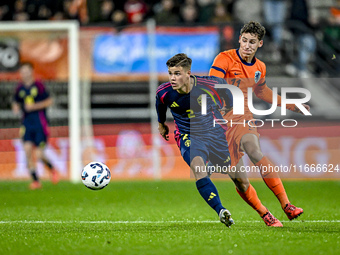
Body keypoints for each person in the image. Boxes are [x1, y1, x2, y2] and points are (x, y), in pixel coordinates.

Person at [156, 53, 283, 227]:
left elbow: (230, 97)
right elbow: (160, 104)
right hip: (189, 136)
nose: (172, 78)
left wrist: (228, 112)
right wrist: (161, 123)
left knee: (241, 180)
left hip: (216, 135)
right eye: (170, 73)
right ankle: (221, 210)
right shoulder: (164, 92)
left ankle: (265, 213)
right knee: (198, 169)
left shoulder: (209, 84)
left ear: (188, 73)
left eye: (177, 73)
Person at [209, 21, 309, 225]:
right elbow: (213, 84)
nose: (247, 45)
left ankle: (287, 205)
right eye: (244, 40)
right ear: (239, 39)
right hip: (220, 122)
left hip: (243, 117)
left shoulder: (260, 67)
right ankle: (265, 214)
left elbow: (262, 91)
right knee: (239, 178)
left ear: (260, 44)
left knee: (254, 150)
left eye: (252, 42)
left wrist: (290, 105)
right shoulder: (224, 58)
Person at [12, 62, 59, 189]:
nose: (24, 73)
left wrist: (35, 107)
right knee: (27, 151)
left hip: (40, 124)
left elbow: (49, 101)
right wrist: (15, 106)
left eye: (27, 70)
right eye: (22, 71)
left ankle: (52, 168)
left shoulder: (39, 86)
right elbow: (15, 101)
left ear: (31, 71)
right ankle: (35, 181)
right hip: (26, 124)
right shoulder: (19, 88)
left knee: (38, 154)